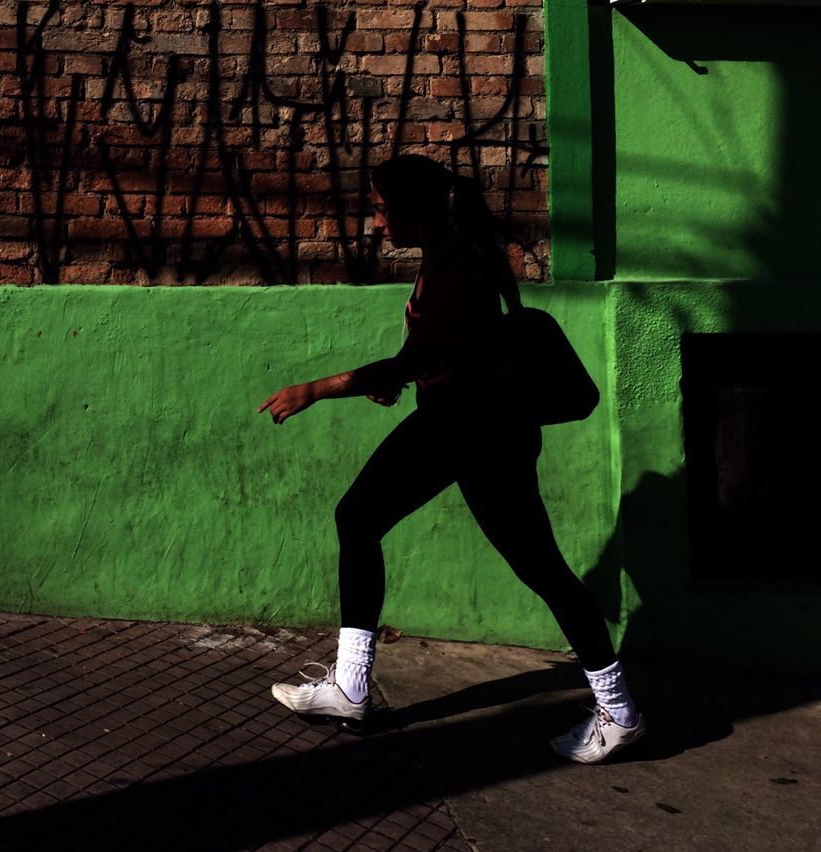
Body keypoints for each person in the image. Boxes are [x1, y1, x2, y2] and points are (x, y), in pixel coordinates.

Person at [256, 154, 644, 764]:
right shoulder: (448, 257)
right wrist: (408, 374)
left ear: (412, 211)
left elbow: (420, 357)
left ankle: (617, 710)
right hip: (466, 426)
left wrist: (315, 390)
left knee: (534, 565)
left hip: (473, 431)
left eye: (383, 210)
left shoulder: (460, 267)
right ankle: (351, 686)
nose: (376, 222)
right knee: (363, 520)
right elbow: (435, 348)